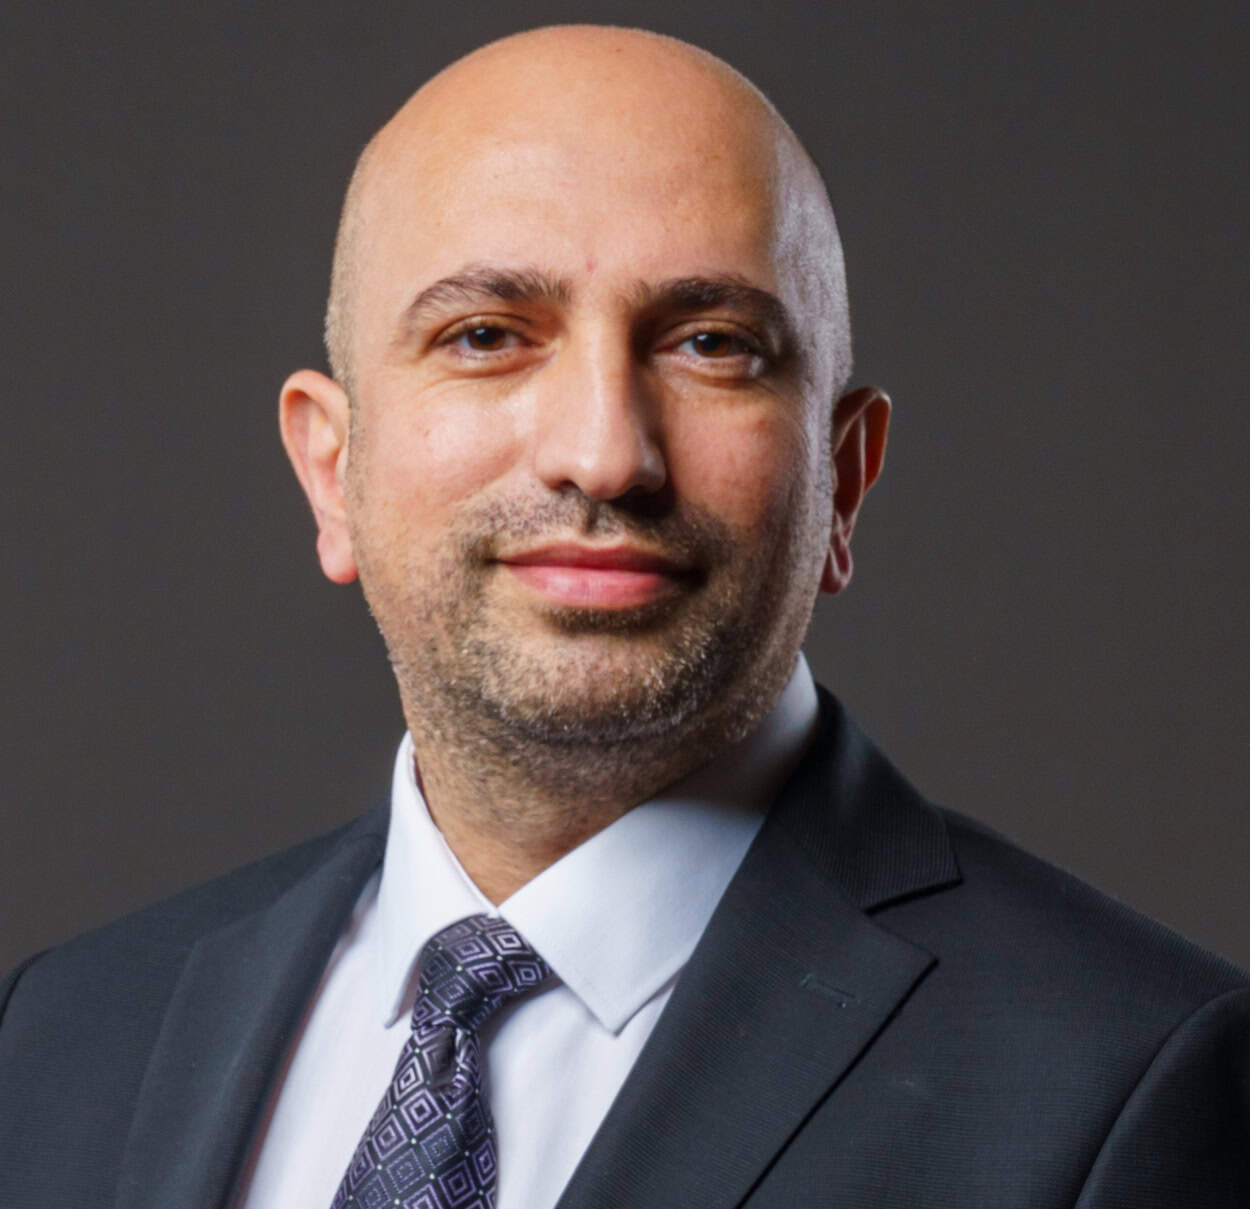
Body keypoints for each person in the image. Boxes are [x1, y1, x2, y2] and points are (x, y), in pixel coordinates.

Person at [1, 24, 1247, 1209]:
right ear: (331, 470)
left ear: (844, 478)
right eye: (486, 334)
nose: (602, 455)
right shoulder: (61, 1038)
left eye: (710, 344)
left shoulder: (1131, 1080)